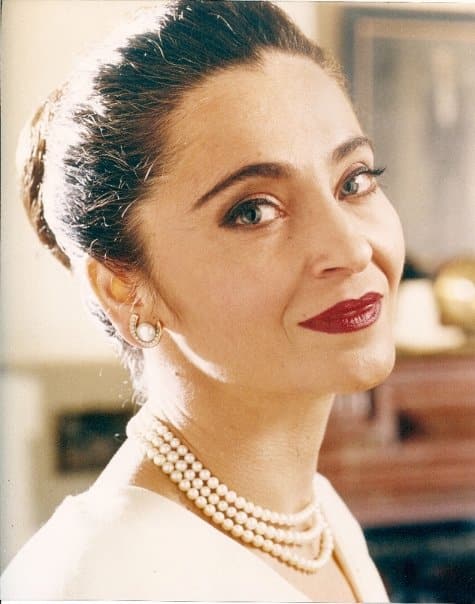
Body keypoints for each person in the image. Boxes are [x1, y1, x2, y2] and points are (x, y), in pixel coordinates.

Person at [1, 1, 404, 601]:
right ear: (123, 287)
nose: (350, 247)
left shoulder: (318, 520)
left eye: (354, 181)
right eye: (253, 211)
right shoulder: (94, 583)